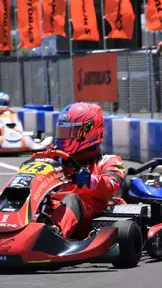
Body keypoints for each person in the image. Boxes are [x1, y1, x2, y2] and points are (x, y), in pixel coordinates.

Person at [43, 102, 125, 239]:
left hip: (85, 217)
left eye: (69, 132)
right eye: (62, 132)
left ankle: (52, 237)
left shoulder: (110, 161)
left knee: (71, 199)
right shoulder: (53, 157)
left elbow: (111, 185)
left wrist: (90, 181)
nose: (64, 137)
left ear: (89, 133)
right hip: (50, 209)